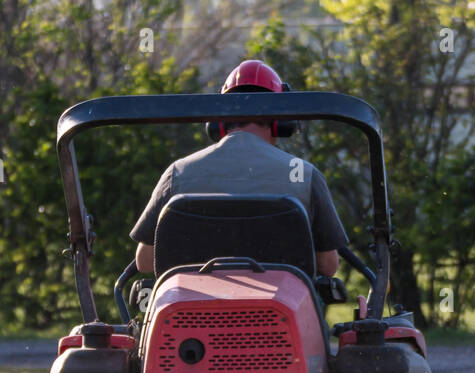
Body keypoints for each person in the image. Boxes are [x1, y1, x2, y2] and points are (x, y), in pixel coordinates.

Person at [129, 59, 349, 277]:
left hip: (193, 311)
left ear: (219, 121)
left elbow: (145, 260)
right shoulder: (303, 173)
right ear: (280, 121)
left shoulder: (178, 173)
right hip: (279, 310)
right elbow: (328, 265)